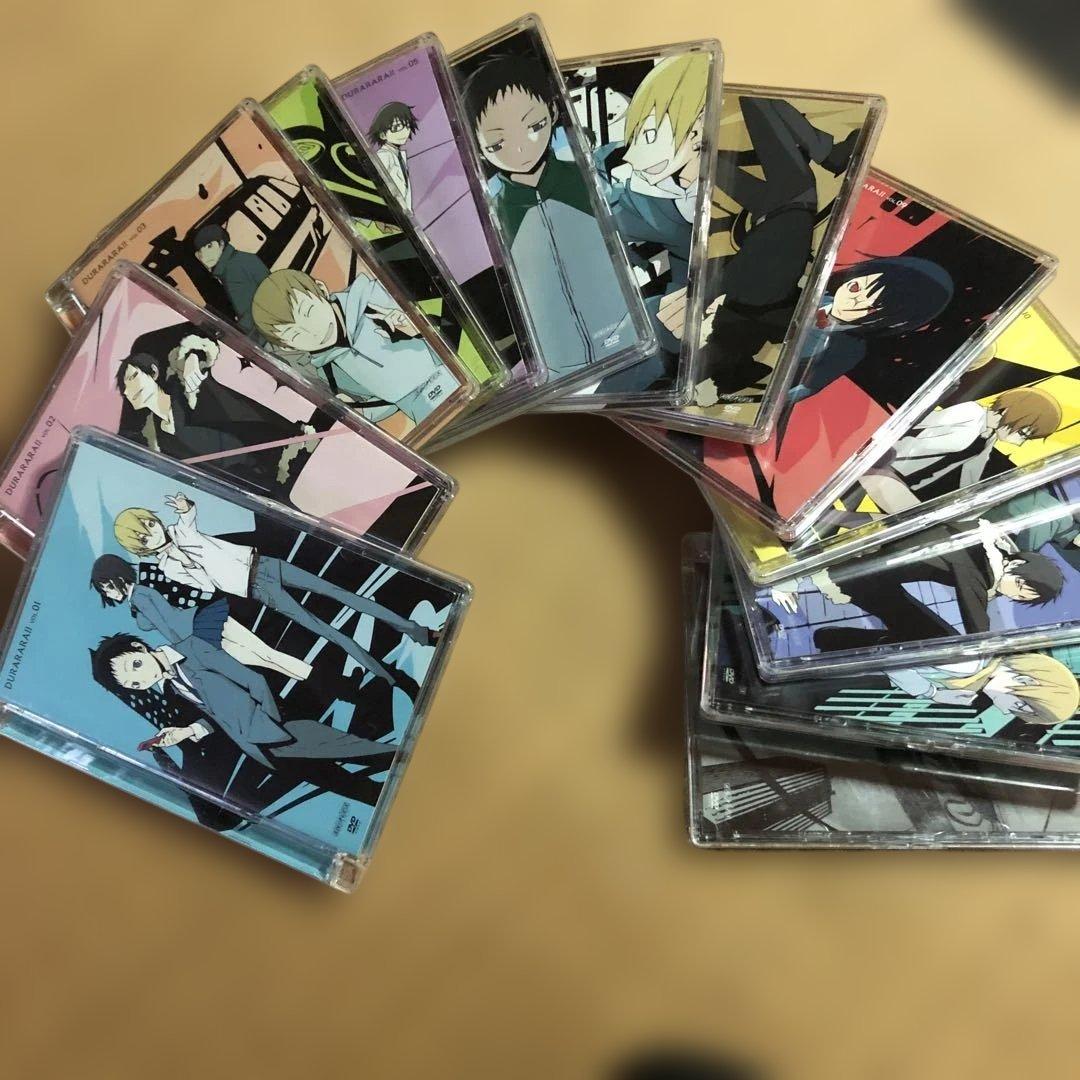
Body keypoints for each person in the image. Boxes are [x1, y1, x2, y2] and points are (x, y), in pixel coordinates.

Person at [111, 492, 438, 689]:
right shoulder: (169, 566)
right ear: (140, 548)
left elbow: (188, 517)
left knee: (345, 596)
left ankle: (418, 633)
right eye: (143, 537)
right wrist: (187, 561)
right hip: (254, 588)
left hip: (265, 563)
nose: (152, 532)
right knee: (326, 630)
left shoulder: (179, 531)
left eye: (149, 524)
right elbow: (206, 586)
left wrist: (184, 506)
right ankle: (388, 677)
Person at [463, 55, 635, 378]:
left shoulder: (586, 179)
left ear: (553, 111)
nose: (520, 149)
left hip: (627, 336)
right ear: (477, 146)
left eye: (534, 126)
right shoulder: (493, 215)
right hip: (555, 368)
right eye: (498, 142)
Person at [90, 632, 398, 801]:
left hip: (281, 730)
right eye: (134, 685)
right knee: (347, 787)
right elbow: (215, 718)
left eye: (135, 667)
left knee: (372, 755)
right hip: (262, 750)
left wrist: (272, 719)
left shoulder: (193, 649)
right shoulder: (172, 690)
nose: (142, 679)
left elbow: (252, 679)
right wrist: (187, 732)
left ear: (139, 647)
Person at [589, 52, 709, 390]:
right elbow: (613, 226)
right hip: (674, 317)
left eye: (651, 135)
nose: (633, 153)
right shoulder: (638, 190)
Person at [771, 521, 1066, 647]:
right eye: (1021, 588)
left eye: (1022, 597)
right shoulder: (981, 567)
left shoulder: (983, 544)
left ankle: (832, 639)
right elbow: (974, 613)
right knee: (928, 633)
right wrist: (986, 647)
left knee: (924, 630)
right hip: (858, 574)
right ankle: (832, 639)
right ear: (1016, 566)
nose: (1014, 594)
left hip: (873, 568)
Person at [250, 268, 460, 428]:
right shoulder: (328, 370)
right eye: (296, 335)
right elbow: (382, 402)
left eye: (309, 312)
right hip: (427, 417)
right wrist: (358, 412)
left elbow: (450, 319)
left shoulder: (375, 296)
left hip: (455, 377)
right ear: (287, 346)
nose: (313, 333)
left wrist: (419, 330)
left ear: (321, 290)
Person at [114, 326, 315, 488]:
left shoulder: (185, 384)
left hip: (279, 447)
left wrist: (192, 358)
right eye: (125, 388)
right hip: (253, 483)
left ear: (153, 371)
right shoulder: (158, 441)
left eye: (133, 376)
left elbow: (202, 338)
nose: (131, 388)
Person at [860, 386, 1063, 514]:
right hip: (884, 467)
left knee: (915, 522)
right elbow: (919, 422)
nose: (1020, 442)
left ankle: (845, 519)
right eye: (1024, 433)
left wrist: (970, 503)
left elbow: (971, 473)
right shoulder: (970, 412)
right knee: (908, 519)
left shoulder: (988, 438)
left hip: (908, 481)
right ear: (1011, 411)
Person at [885, 653, 1079, 727]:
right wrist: (932, 693)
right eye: (1018, 705)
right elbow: (893, 661)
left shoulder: (976, 674)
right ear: (1025, 681)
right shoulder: (970, 665)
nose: (1005, 711)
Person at [191, 224, 269, 334]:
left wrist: (238, 330)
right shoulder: (238, 260)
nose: (204, 255)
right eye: (199, 252)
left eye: (209, 246)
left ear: (221, 244)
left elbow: (258, 307)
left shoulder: (232, 269)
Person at [368, 102, 418, 212]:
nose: (404, 131)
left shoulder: (398, 155)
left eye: (407, 125)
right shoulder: (383, 156)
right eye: (397, 127)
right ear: (382, 134)